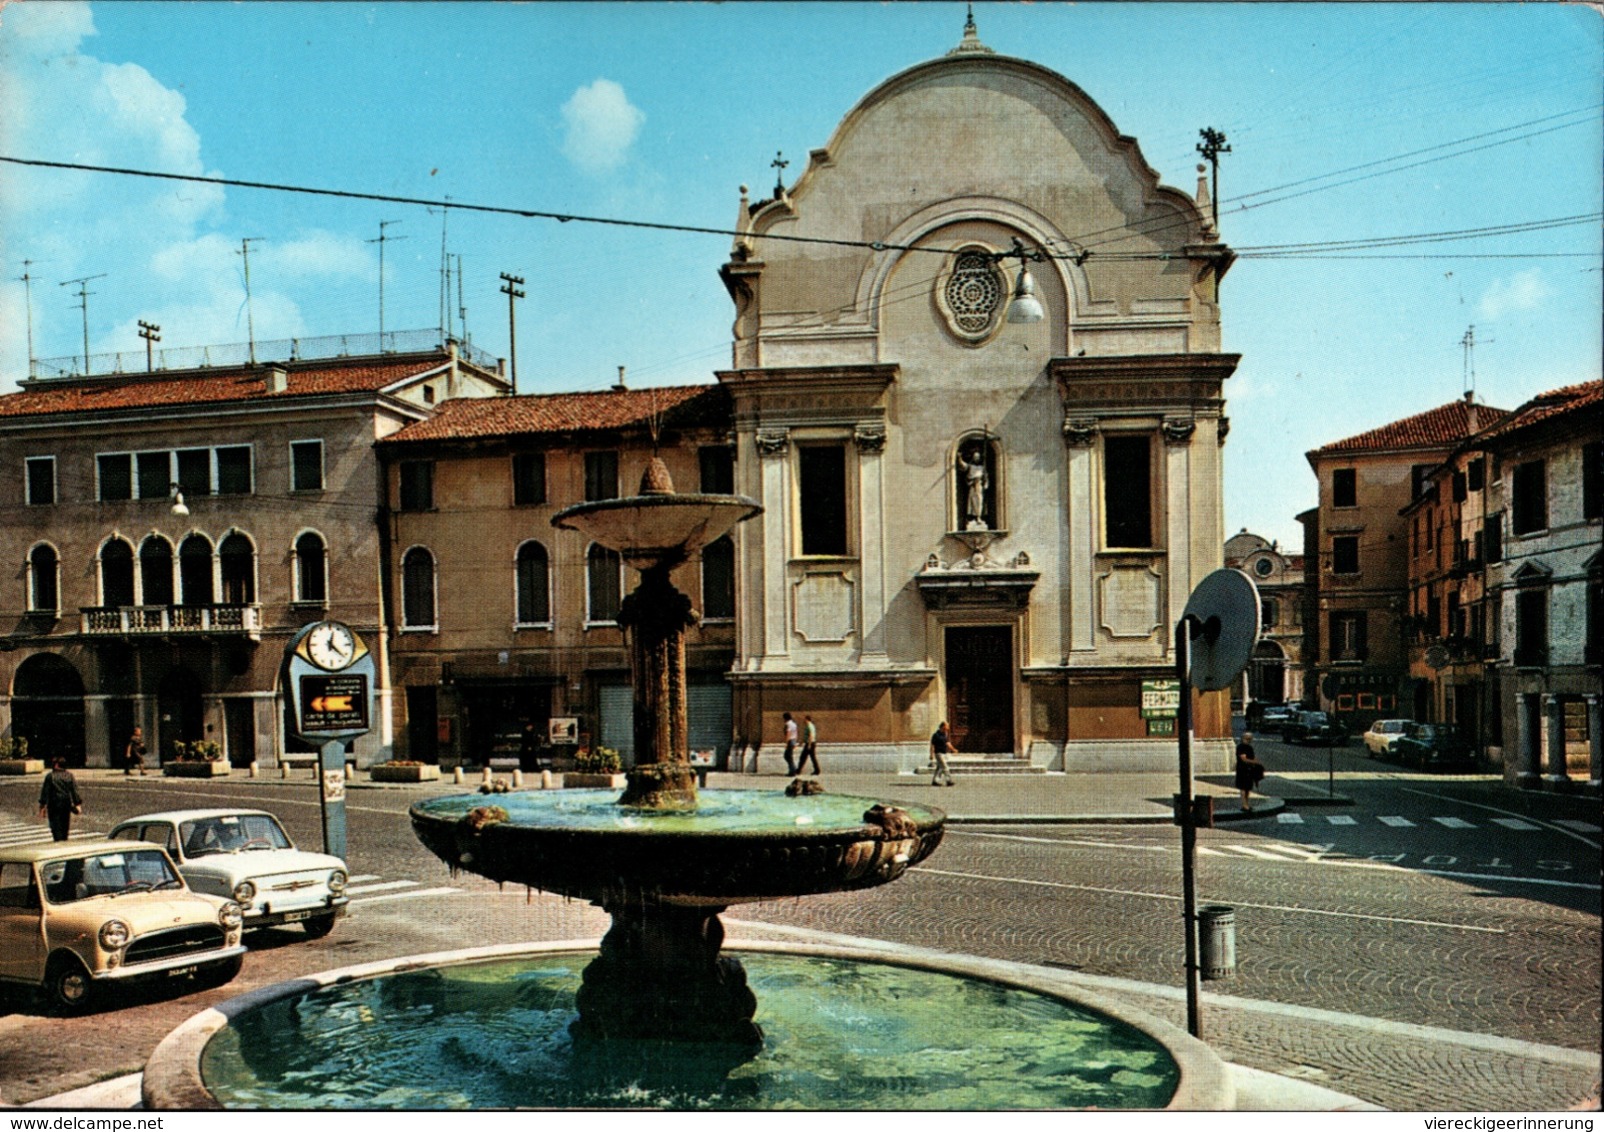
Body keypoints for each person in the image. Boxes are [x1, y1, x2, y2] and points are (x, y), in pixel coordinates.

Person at [38, 757, 83, 842]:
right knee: (65, 827)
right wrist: (78, 804)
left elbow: (45, 792)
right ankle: (64, 841)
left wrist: (42, 807)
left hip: (53, 806)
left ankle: (58, 841)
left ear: (56, 765)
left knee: (55, 827)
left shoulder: (50, 776)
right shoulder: (69, 775)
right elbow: (74, 791)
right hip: (66, 804)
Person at [1235, 731, 1265, 811]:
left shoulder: (1249, 747)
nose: (1250, 740)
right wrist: (1255, 762)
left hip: (1249, 769)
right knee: (1243, 787)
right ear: (1244, 738)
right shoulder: (1241, 747)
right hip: (1242, 769)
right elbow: (1243, 759)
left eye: (1250, 738)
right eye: (1248, 738)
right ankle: (1244, 805)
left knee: (1248, 787)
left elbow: (1252, 757)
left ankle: (1247, 804)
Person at [929, 721, 957, 786]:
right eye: (947, 726)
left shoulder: (945, 734)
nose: (948, 728)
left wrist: (953, 749)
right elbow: (932, 745)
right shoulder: (936, 735)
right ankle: (949, 781)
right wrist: (931, 754)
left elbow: (948, 743)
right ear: (943, 726)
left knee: (939, 768)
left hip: (944, 753)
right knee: (945, 767)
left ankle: (935, 781)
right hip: (938, 754)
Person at [781, 711, 799, 776]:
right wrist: (795, 742)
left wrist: (786, 743)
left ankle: (792, 770)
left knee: (787, 756)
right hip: (793, 740)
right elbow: (796, 733)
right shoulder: (794, 724)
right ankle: (792, 769)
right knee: (789, 756)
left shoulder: (788, 724)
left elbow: (788, 733)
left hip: (790, 741)